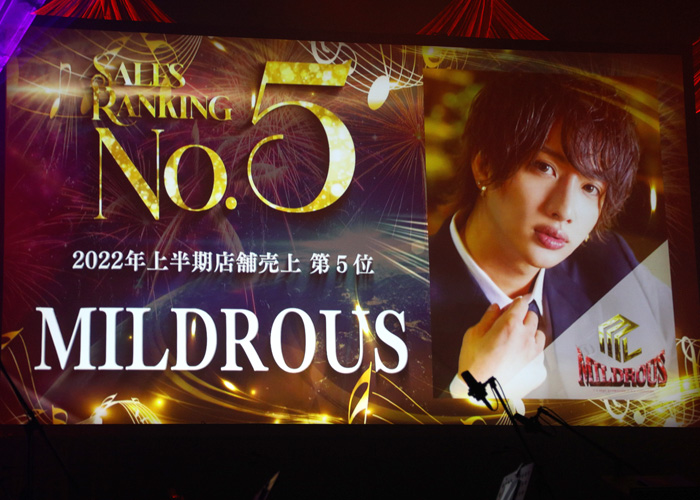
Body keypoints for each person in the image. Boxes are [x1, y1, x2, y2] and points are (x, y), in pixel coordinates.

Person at [429, 73, 641, 398]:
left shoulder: (611, 265)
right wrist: (472, 392)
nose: (564, 210)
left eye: (590, 187)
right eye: (544, 167)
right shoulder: (397, 300)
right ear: (486, 166)